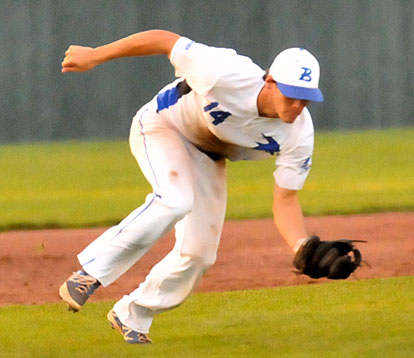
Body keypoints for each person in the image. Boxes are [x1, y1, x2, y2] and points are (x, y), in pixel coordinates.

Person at [59, 29, 324, 344]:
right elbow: (163, 40)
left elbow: (286, 200)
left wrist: (301, 247)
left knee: (199, 255)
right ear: (269, 81)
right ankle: (90, 274)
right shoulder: (225, 71)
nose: (296, 105)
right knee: (175, 200)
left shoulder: (299, 134)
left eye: (305, 98)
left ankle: (133, 314)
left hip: (209, 158)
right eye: (290, 94)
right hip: (163, 126)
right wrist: (95, 54)